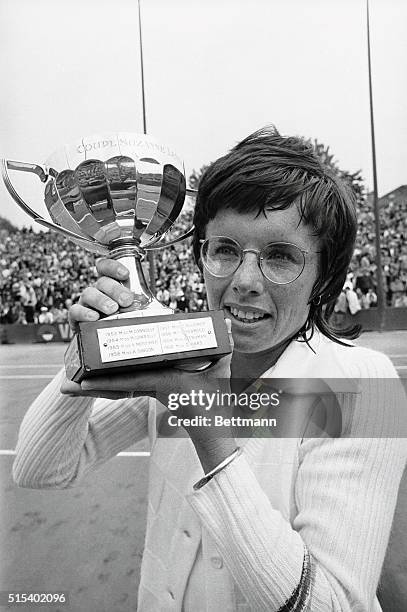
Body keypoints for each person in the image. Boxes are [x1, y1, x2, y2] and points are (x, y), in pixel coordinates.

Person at [12, 127, 406, 612]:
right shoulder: (174, 356)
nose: (243, 281)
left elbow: (334, 604)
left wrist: (203, 420)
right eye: (224, 250)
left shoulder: (364, 384)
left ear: (324, 275)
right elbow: (39, 470)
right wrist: (85, 353)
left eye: (281, 256)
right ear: (202, 255)